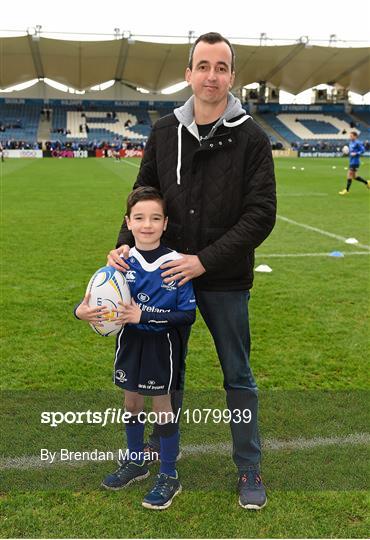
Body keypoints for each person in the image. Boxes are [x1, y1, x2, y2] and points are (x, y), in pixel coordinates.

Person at [107, 32, 276, 510]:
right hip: (167, 279)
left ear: (231, 77)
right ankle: (159, 464)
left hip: (224, 280)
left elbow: (260, 214)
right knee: (165, 377)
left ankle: (249, 468)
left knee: (237, 376)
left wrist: (205, 260)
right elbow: (143, 192)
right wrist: (124, 246)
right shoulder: (164, 132)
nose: (211, 75)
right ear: (188, 74)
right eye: (203, 65)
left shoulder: (252, 138)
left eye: (221, 67)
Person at [75, 186, 196, 510]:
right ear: (128, 222)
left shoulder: (177, 263)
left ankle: (169, 474)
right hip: (129, 344)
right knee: (131, 404)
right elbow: (97, 296)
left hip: (161, 347)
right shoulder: (121, 262)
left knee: (162, 408)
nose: (147, 224)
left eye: (155, 218)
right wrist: (81, 311)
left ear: (165, 223)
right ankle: (136, 462)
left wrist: (144, 314)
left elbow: (187, 315)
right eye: (140, 218)